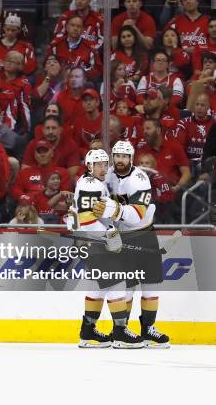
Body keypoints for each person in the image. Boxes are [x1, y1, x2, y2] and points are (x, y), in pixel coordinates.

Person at [70, 149, 144, 349]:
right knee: (117, 283)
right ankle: (120, 333)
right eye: (99, 164)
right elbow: (86, 221)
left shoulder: (92, 182)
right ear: (89, 166)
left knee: (97, 287)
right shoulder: (90, 184)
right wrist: (108, 235)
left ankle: (87, 332)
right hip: (96, 243)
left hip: (92, 243)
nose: (103, 167)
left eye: (105, 163)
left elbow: (80, 215)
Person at [105, 140, 170, 348]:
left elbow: (136, 215)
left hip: (143, 234)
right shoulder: (106, 176)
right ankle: (122, 330)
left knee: (150, 284)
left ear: (131, 158)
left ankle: (148, 328)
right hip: (120, 237)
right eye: (117, 156)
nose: (120, 160)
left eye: (124, 156)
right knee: (127, 287)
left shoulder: (139, 179)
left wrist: (112, 210)